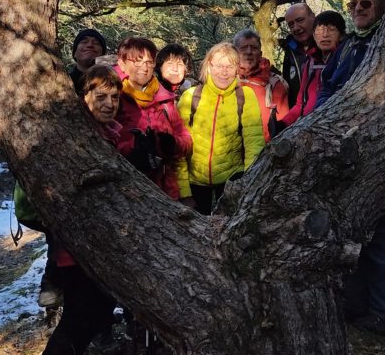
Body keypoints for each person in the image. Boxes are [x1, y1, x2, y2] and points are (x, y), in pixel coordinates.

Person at [23, 66, 124, 355]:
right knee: (78, 318)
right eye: (101, 96)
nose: (109, 103)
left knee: (97, 314)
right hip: (74, 249)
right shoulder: (76, 138)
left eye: (115, 97)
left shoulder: (109, 133)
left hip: (99, 246)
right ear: (84, 97)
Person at [315, 0, 385, 333]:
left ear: (382, 5)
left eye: (366, 3)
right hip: (342, 153)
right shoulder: (349, 45)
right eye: (352, 4)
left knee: (379, 234)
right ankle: (357, 304)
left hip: (378, 154)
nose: (357, 10)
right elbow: (328, 86)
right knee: (350, 230)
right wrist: (324, 119)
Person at [177, 42, 265, 215]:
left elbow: (254, 143)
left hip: (232, 180)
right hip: (195, 181)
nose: (224, 72)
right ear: (209, 67)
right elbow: (179, 149)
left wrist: (247, 184)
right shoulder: (191, 96)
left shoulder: (245, 96)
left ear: (236, 69)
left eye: (230, 66)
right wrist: (184, 191)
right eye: (219, 65)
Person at [116, 36, 192, 199]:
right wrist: (132, 150)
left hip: (166, 189)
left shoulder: (164, 99)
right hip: (128, 191)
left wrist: (172, 144)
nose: (144, 68)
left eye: (149, 62)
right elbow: (99, 141)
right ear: (122, 64)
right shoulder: (112, 97)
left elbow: (186, 140)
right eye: (137, 61)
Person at [274, 11, 346, 129]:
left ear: (341, 35)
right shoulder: (310, 62)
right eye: (319, 31)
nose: (325, 35)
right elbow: (301, 104)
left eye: (331, 30)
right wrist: (283, 123)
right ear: (314, 35)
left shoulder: (346, 59)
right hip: (307, 127)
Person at [233, 28, 289, 140]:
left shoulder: (275, 84)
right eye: (243, 48)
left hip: (264, 148)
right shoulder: (225, 80)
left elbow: (283, 127)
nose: (249, 52)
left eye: (254, 48)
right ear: (235, 53)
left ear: (260, 54)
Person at [282, 3, 316, 105]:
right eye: (291, 25)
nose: (296, 28)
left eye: (300, 20)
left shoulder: (327, 45)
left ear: (313, 17)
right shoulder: (290, 52)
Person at [69, 28, 107, 94]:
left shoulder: (114, 81)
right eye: (84, 42)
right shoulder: (64, 81)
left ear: (102, 54)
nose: (90, 45)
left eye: (96, 43)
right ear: (74, 53)